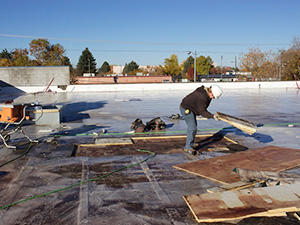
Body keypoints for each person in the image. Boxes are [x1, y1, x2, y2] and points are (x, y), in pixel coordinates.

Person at [179, 85, 223, 154]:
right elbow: (202, 112)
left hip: (192, 108)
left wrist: (211, 115)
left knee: (193, 127)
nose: (213, 98)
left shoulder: (207, 94)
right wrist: (213, 116)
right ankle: (188, 147)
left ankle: (190, 143)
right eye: (213, 96)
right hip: (186, 109)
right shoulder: (202, 96)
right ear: (210, 91)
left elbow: (203, 108)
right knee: (192, 128)